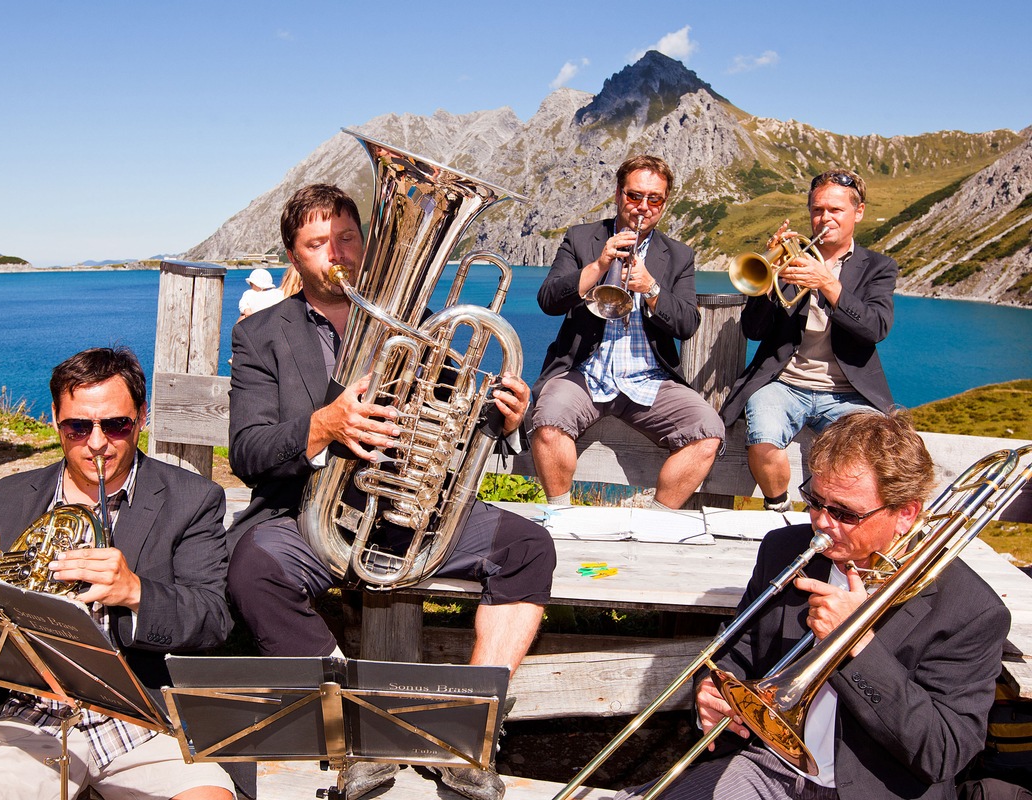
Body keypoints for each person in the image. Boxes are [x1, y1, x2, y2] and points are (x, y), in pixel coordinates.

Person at [226, 183, 556, 800]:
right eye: (317, 244)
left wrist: (505, 417)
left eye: (348, 238)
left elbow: (459, 413)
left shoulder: (419, 324)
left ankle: (466, 730)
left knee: (529, 547)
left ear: (368, 243)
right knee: (252, 566)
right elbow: (247, 450)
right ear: (294, 257)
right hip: (310, 512)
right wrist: (324, 424)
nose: (338, 254)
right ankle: (355, 732)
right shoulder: (260, 334)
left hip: (406, 512)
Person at [615, 411, 1010, 800]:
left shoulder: (970, 609)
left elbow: (942, 752)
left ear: (905, 513)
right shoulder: (784, 550)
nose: (821, 522)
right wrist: (711, 688)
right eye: (815, 501)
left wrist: (856, 645)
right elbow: (734, 653)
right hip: (769, 767)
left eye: (844, 513)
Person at [0, 347, 238, 800]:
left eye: (116, 425)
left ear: (142, 417)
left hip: (145, 716)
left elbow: (214, 618)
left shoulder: (192, 499)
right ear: (55, 419)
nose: (97, 443)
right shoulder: (9, 495)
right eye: (78, 426)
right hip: (30, 713)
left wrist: (136, 592)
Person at [531, 155, 724, 508]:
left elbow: (687, 325)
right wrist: (599, 265)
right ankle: (560, 515)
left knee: (708, 430)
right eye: (635, 196)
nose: (643, 207)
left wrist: (651, 289)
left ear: (665, 203)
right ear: (619, 194)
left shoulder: (679, 255)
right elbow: (548, 299)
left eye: (655, 199)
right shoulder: (581, 238)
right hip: (584, 373)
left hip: (649, 378)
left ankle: (657, 517)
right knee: (548, 423)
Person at [720, 169, 898, 512]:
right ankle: (778, 509)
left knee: (862, 462)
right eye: (817, 210)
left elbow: (875, 328)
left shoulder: (878, 267)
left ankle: (831, 519)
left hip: (848, 392)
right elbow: (753, 331)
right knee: (763, 441)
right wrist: (767, 283)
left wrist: (828, 284)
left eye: (835, 210)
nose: (824, 219)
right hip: (784, 383)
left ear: (857, 213)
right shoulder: (793, 257)